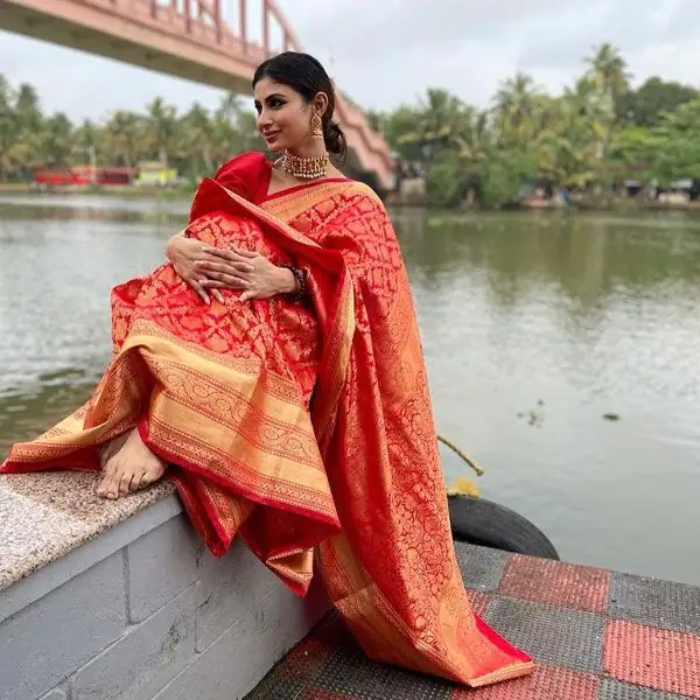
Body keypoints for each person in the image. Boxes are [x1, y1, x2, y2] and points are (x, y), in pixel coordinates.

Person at [1, 52, 533, 688]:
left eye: (276, 102)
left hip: (301, 338)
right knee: (205, 254)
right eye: (257, 105)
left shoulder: (355, 203)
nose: (263, 118)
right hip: (233, 320)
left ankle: (157, 424)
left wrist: (290, 278)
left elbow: (377, 305)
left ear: (319, 106)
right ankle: (159, 415)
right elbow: (197, 234)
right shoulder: (250, 175)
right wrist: (181, 248)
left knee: (248, 277)